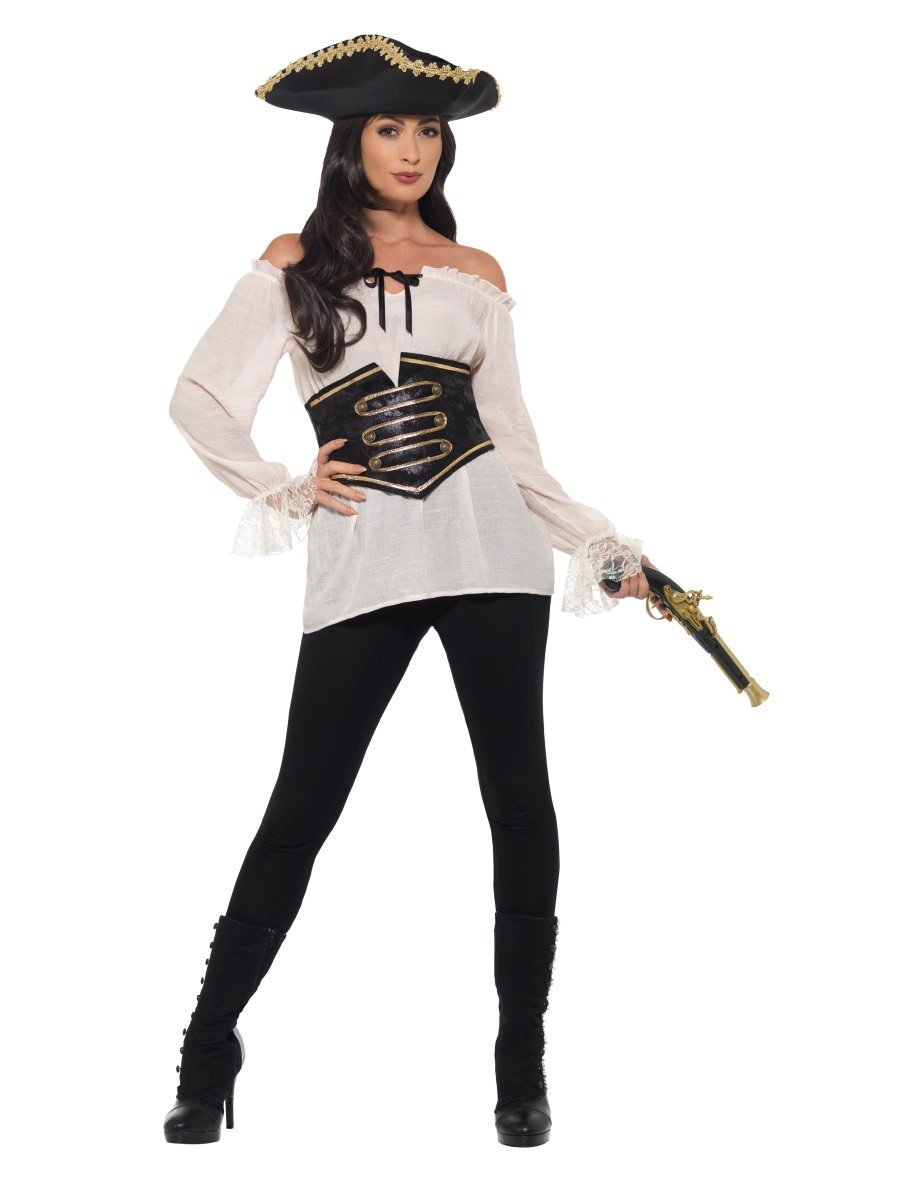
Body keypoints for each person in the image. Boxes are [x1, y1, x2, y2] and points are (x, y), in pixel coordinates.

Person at [162, 33, 668, 1149]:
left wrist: (600, 546)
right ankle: (206, 1052)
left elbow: (514, 445)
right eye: (390, 127)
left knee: (519, 801)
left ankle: (521, 1066)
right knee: (301, 808)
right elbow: (200, 397)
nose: (412, 148)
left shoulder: (475, 271)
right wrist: (286, 487)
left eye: (429, 129)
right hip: (368, 561)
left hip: (493, 554)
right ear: (351, 141)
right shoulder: (295, 259)